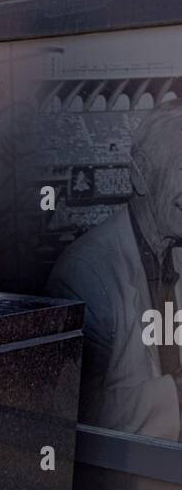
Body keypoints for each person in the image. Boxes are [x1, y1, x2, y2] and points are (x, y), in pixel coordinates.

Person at [45, 101, 182, 439]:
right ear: (140, 175)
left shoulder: (174, 253)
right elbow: (71, 412)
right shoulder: (83, 274)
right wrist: (176, 397)